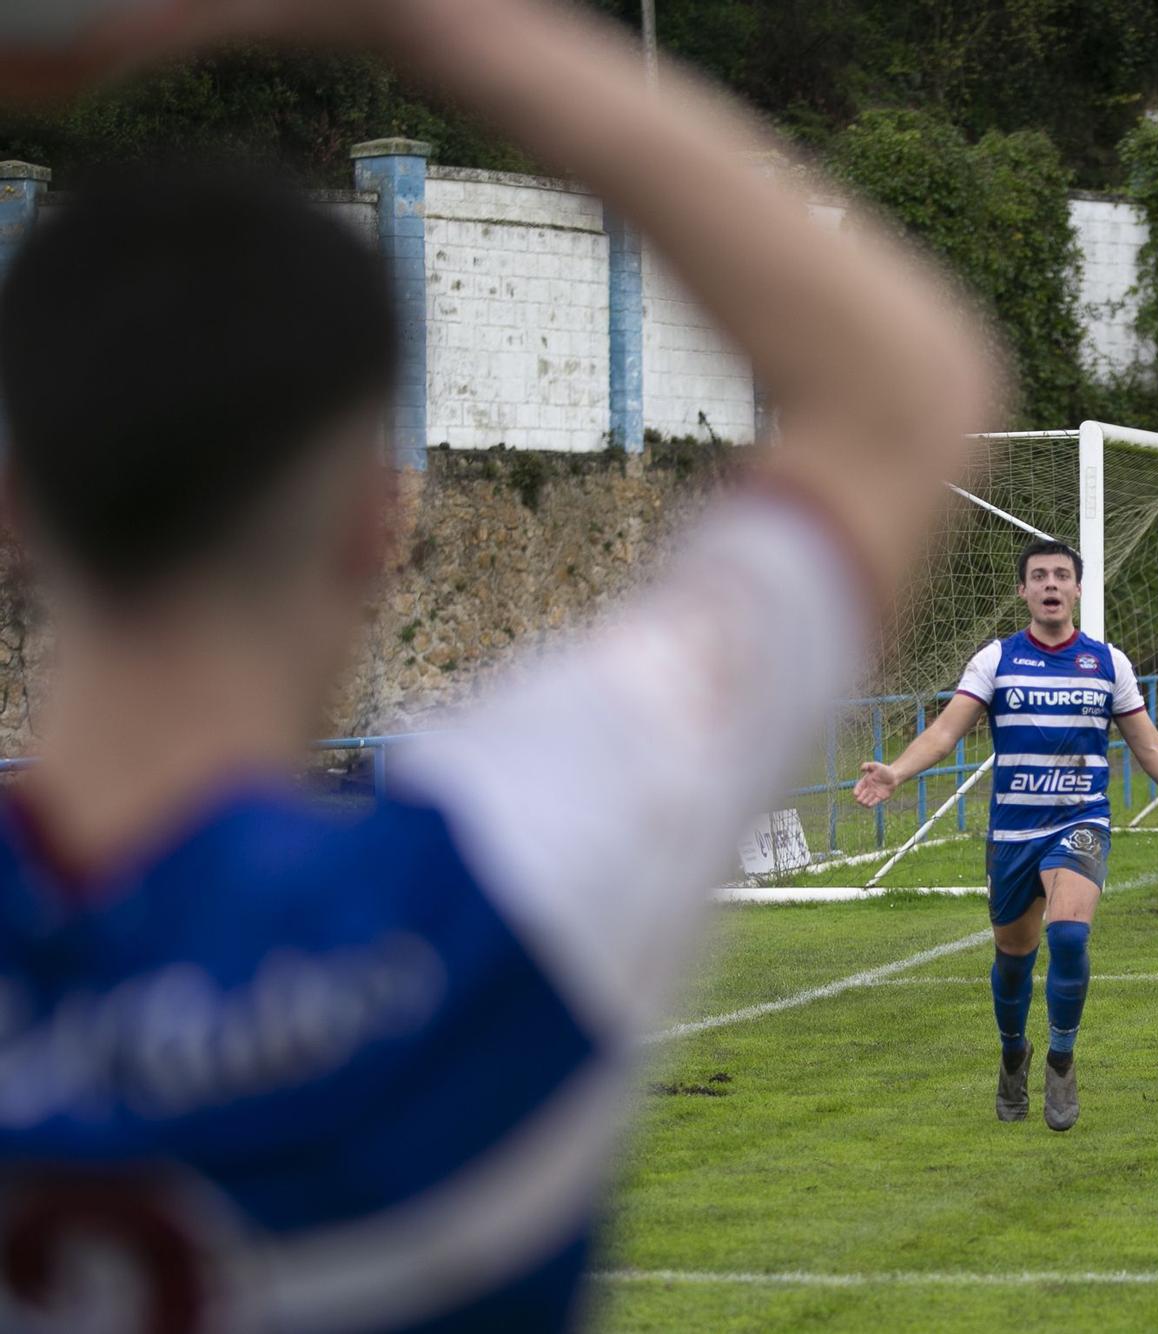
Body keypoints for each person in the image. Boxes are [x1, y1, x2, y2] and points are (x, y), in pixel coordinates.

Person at [0, 0, 999, 1328]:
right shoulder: (490, 885)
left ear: (15, 500)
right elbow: (905, 393)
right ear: (379, 513)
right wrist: (429, 20)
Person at [854, 538, 1158, 1130]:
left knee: (1068, 934)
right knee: (1014, 960)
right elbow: (944, 733)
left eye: (1061, 575)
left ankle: (1061, 1059)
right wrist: (896, 771)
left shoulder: (1108, 663)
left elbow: (1150, 747)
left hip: (1080, 821)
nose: (1050, 585)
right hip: (1013, 834)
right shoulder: (995, 661)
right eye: (1039, 576)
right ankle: (1014, 1051)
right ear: (1023, 591)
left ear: (1079, 588)